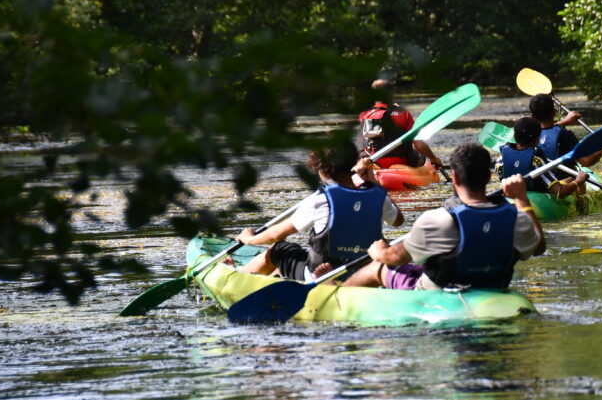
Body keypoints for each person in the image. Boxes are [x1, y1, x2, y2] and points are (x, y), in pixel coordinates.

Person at [343, 142, 545, 291]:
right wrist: (521, 198)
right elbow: (539, 247)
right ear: (489, 177)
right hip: (494, 285)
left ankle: (336, 296)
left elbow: (394, 258)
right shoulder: (516, 218)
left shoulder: (437, 220)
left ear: (455, 177)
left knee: (377, 267)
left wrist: (378, 251)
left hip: (438, 290)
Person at [233, 144, 404, 281]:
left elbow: (276, 234)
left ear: (321, 170)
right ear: (353, 163)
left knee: (281, 249)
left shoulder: (320, 199)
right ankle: (276, 276)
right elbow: (398, 221)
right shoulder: (378, 195)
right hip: (365, 272)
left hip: (322, 274)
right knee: (298, 255)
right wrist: (372, 180)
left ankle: (240, 276)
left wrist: (249, 239)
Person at [357, 78, 444, 169]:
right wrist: (434, 159)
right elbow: (418, 143)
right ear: (391, 93)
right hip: (399, 162)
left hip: (371, 161)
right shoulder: (402, 113)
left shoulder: (364, 114)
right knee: (420, 155)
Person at [499, 116, 588, 199]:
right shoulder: (537, 160)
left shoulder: (500, 159)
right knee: (575, 180)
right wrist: (579, 181)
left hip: (512, 196)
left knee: (569, 179)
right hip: (538, 197)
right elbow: (559, 192)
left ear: (515, 137)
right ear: (537, 139)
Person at [528, 93, 602, 168]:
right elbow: (586, 161)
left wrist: (566, 121)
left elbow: (546, 131)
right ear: (554, 112)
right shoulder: (565, 135)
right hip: (566, 181)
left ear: (532, 116)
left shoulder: (527, 135)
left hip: (539, 181)